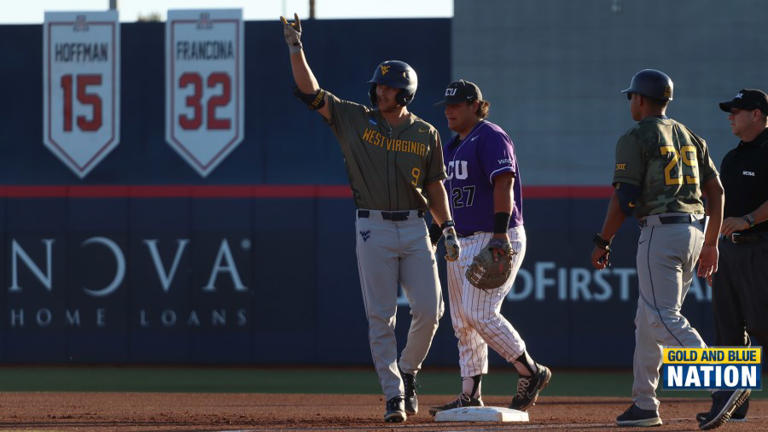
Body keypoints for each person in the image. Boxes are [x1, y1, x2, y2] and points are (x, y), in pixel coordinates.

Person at [280, 14, 460, 423]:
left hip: (417, 228)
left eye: (389, 86)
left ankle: (408, 371)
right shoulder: (354, 119)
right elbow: (311, 92)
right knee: (381, 316)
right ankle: (393, 394)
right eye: (378, 85)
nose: (380, 91)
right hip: (373, 226)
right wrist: (295, 47)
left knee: (431, 312)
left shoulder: (426, 134)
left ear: (406, 93)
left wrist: (447, 226)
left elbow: (435, 187)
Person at [590, 69, 749, 430]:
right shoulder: (690, 135)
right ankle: (644, 404)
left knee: (661, 317)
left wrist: (603, 240)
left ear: (641, 100)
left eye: (631, 96)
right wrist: (711, 244)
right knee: (648, 321)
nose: (630, 101)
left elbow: (625, 197)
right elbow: (718, 193)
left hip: (661, 232)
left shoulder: (636, 135)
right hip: (694, 232)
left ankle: (725, 380)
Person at [428, 80, 551, 416]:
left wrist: (499, 236)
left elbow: (504, 183)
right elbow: (445, 198)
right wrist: (438, 233)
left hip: (496, 234)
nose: (449, 111)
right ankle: (470, 394)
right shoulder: (451, 147)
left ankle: (530, 370)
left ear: (475, 106)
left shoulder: (491, 136)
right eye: (446, 106)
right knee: (461, 321)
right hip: (461, 239)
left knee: (480, 313)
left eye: (456, 105)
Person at [695, 89, 768, 425]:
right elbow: (718, 207)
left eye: (737, 111)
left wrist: (751, 219)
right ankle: (732, 404)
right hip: (729, 251)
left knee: (763, 326)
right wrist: (711, 249)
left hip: (760, 247)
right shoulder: (732, 157)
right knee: (728, 330)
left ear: (757, 114)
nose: (730, 116)